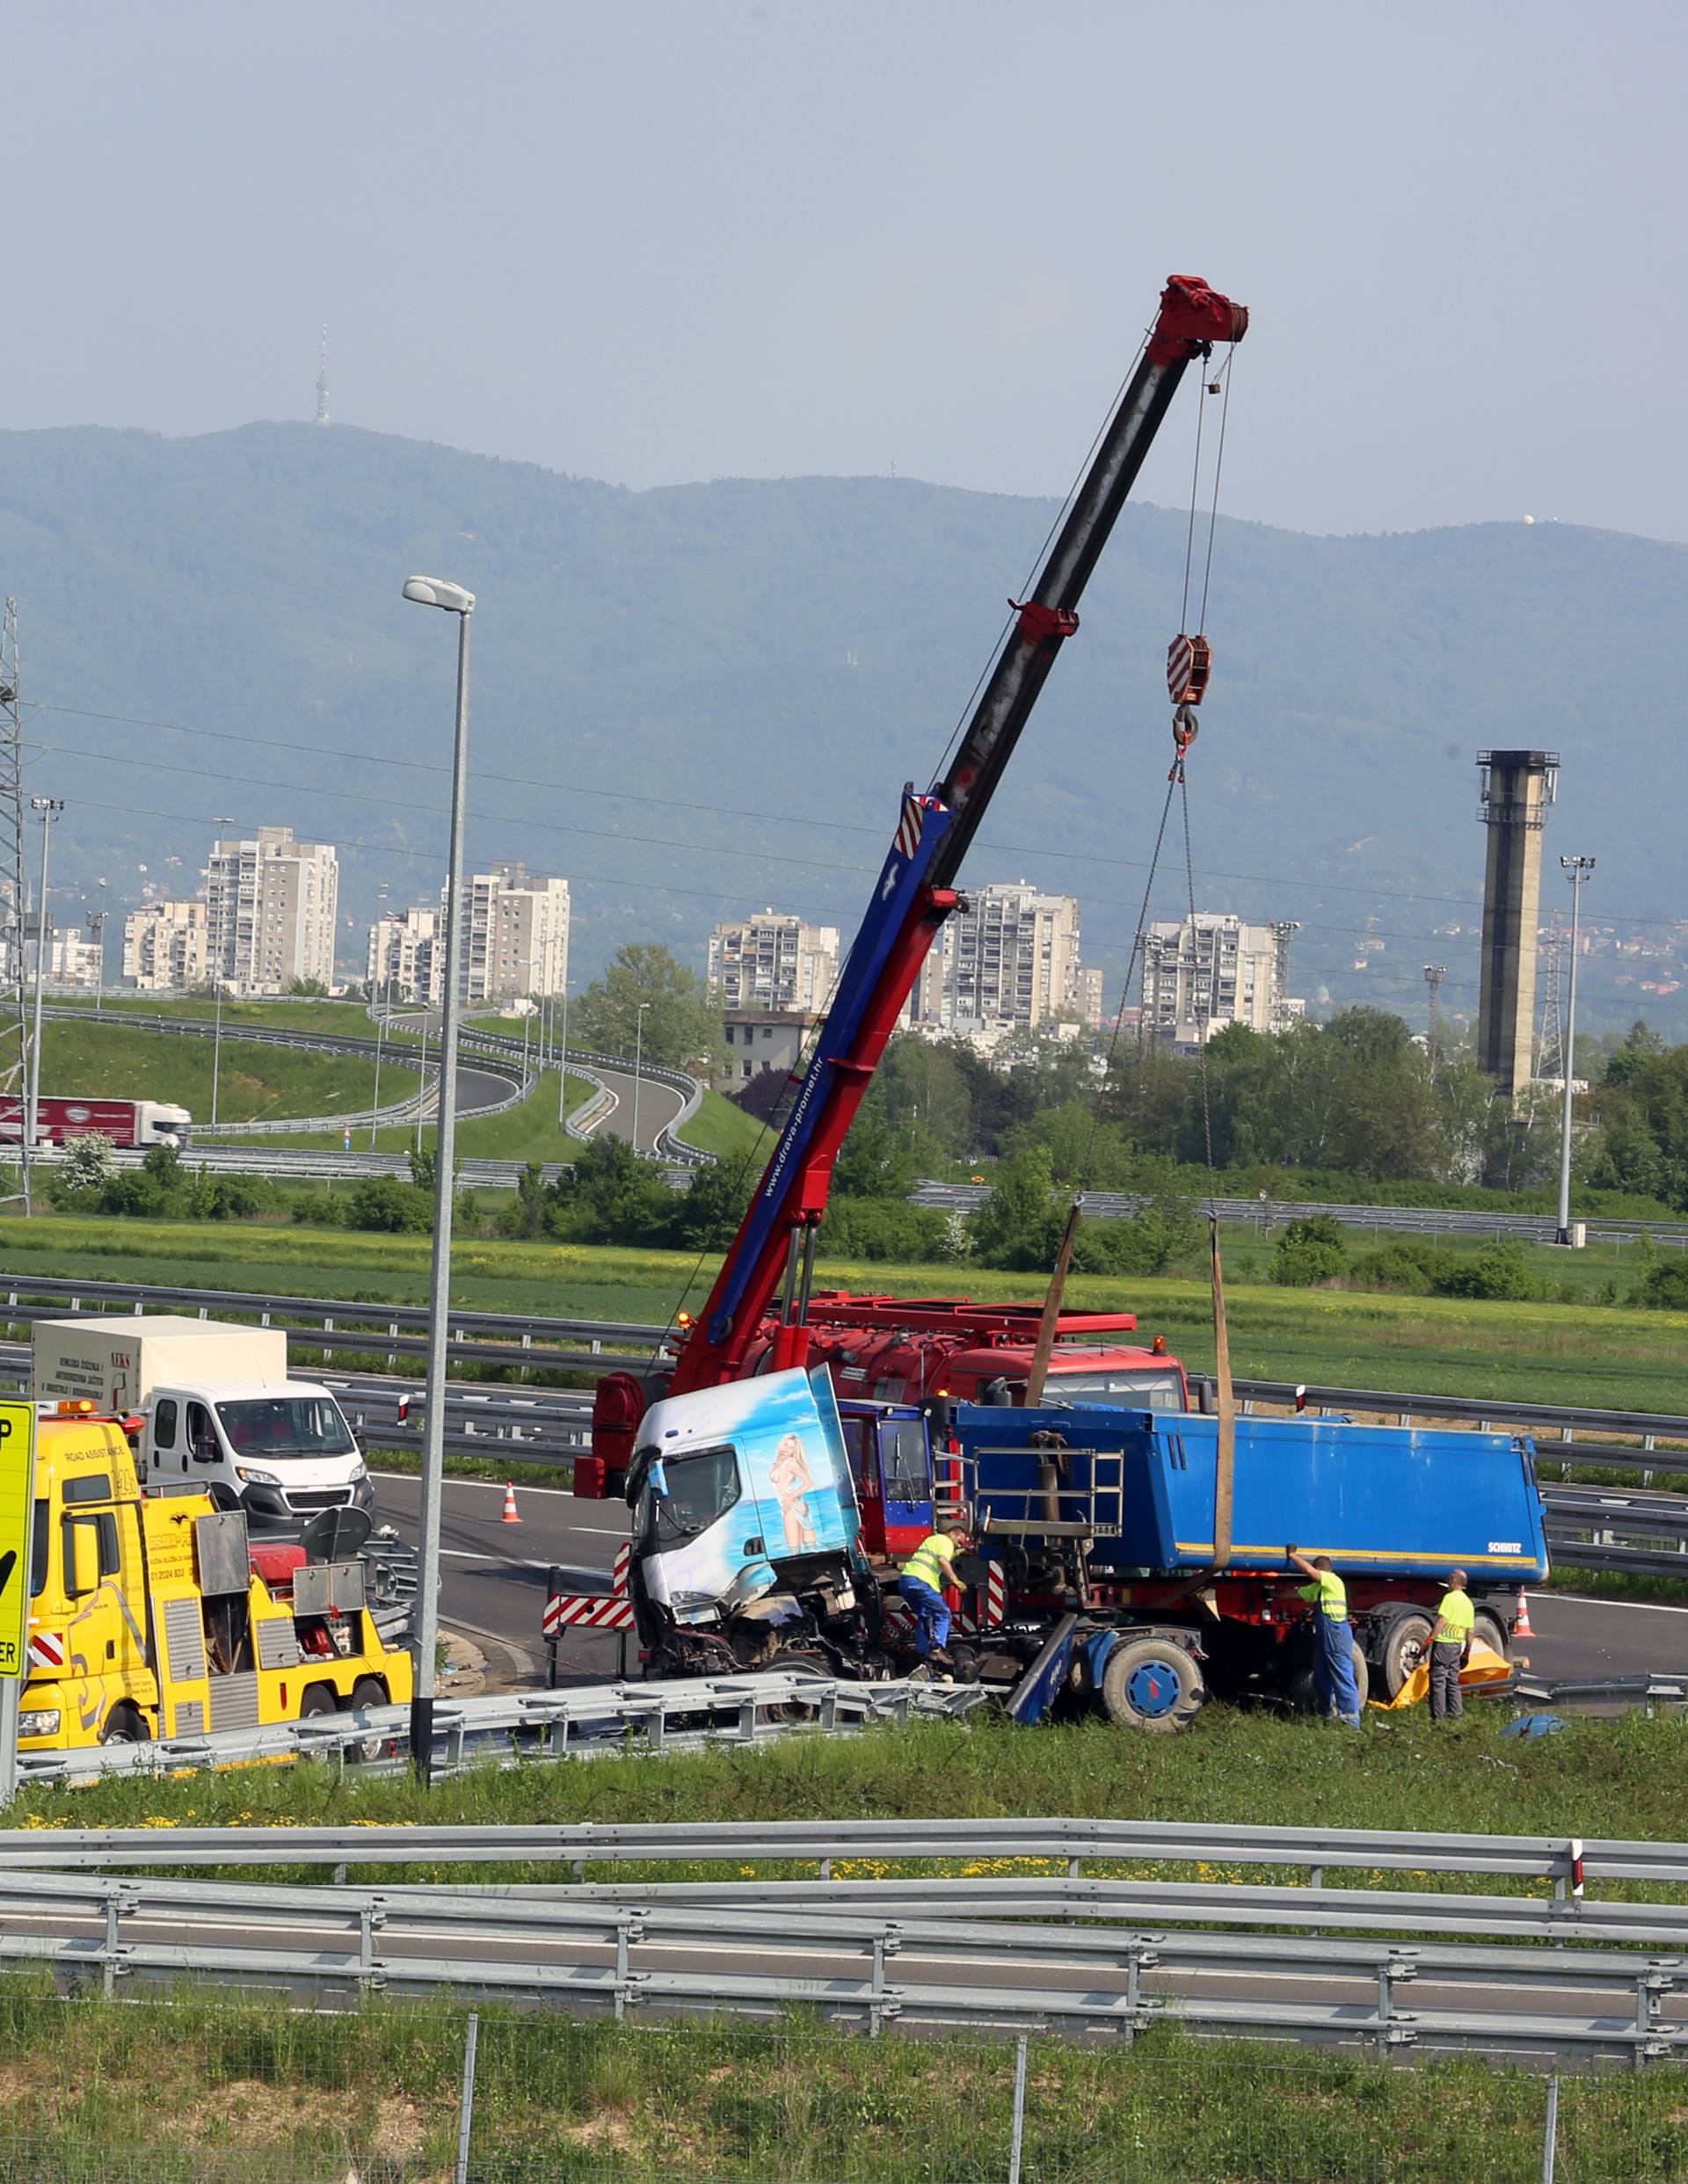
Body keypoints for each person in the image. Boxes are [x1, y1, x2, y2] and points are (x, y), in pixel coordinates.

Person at [1286, 1545, 1362, 1728]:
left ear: (1320, 1569)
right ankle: (1326, 1715)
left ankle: (1352, 1722)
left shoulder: (1333, 1580)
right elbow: (1297, 1594)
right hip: (1325, 1636)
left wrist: (1292, 1556)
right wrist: (1272, 1593)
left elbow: (1308, 1571)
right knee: (1322, 1676)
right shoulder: (1319, 1588)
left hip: (1336, 1633)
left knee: (1342, 1675)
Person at [899, 1521, 971, 1659]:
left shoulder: (933, 1539)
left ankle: (921, 1652)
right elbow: (943, 1560)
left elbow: (943, 1555)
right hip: (922, 1582)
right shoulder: (946, 1542)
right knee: (943, 1613)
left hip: (906, 1581)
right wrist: (956, 1581)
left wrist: (960, 1551)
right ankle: (937, 1649)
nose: (959, 1544)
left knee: (925, 1615)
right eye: (959, 1541)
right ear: (953, 1533)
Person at [1427, 1569, 1474, 1722]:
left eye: (1449, 1579)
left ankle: (1438, 1719)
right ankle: (1457, 1716)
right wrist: (1467, 1651)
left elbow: (1441, 1621)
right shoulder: (1468, 1603)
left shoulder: (1449, 1598)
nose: (1447, 1581)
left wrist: (1428, 1641)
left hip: (1443, 1645)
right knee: (1453, 1681)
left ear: (1454, 1581)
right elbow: (1470, 1631)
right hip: (1456, 1646)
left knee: (1438, 1682)